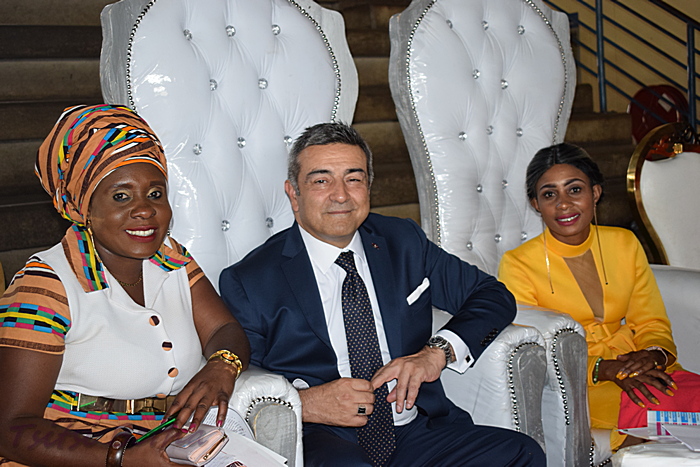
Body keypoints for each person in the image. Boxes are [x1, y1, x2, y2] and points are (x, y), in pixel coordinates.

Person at [219, 122, 545, 466]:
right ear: (293, 194)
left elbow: (492, 295)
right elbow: (241, 379)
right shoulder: (251, 280)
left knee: (520, 453)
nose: (341, 195)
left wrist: (436, 353)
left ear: (368, 187)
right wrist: (306, 403)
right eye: (321, 181)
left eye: (354, 179)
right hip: (323, 438)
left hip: (416, 429)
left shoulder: (402, 241)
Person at [0, 104, 250, 466]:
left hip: (163, 446)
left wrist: (222, 365)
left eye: (155, 193)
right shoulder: (46, 285)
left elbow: (224, 328)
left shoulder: (172, 259)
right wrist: (122, 460)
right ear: (84, 207)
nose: (144, 210)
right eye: (121, 196)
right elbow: (11, 429)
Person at [498, 142, 696, 451]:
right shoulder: (518, 263)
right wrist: (605, 369)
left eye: (574, 190)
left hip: (640, 367)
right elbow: (534, 350)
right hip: (577, 382)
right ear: (536, 204)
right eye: (549, 194)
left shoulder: (624, 243)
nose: (563, 204)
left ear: (595, 193)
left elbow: (651, 321)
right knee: (663, 410)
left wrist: (653, 356)